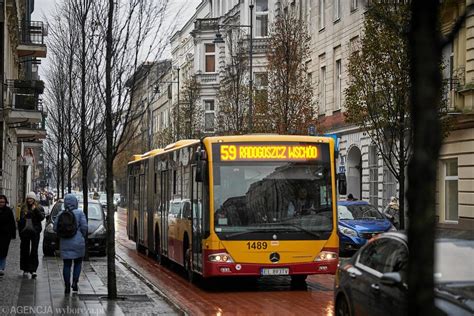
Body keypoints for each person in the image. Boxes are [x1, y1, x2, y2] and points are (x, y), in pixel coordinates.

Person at [54, 194, 88, 294]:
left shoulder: (61, 214)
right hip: (78, 242)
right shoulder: (80, 213)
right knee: (78, 263)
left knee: (67, 264)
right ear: (75, 202)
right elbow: (85, 227)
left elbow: (55, 228)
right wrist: (81, 235)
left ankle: (67, 286)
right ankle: (75, 282)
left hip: (65, 242)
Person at [18, 192, 45, 278]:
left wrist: (35, 210)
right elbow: (20, 220)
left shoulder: (39, 207)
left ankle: (33, 270)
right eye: (28, 198)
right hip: (25, 232)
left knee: (34, 251)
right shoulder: (23, 207)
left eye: (31, 198)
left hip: (35, 232)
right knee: (24, 250)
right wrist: (20, 231)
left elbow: (42, 218)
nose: (29, 200)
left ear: (34, 199)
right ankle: (24, 269)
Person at [0, 195, 16, 276]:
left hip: (5, 235)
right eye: (0, 202)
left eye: (3, 202)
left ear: (5, 202)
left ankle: (1, 268)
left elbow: (12, 223)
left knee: (3, 251)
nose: (1, 203)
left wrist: (13, 234)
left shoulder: (8, 211)